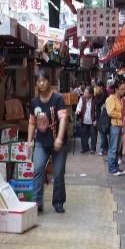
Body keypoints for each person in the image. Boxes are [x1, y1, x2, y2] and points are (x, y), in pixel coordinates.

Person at [28, 69, 69, 213]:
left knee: (58, 173)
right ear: (36, 84)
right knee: (38, 170)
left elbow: (63, 118)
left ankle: (58, 202)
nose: (41, 83)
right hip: (41, 141)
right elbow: (32, 122)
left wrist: (59, 138)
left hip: (58, 142)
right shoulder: (34, 102)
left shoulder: (58, 99)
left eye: (43, 80)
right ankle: (36, 202)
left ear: (48, 82)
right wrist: (29, 141)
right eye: (38, 81)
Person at [105, 75, 125, 175]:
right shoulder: (111, 99)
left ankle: (116, 167)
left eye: (124, 89)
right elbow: (110, 112)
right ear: (116, 89)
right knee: (113, 148)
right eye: (122, 89)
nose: (123, 91)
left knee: (118, 148)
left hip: (121, 126)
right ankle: (111, 168)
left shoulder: (122, 100)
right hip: (115, 126)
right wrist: (122, 115)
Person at [74, 84, 95, 153]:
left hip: (92, 120)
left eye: (86, 93)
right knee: (83, 135)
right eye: (85, 92)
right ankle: (85, 148)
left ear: (91, 94)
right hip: (84, 120)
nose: (84, 94)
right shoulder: (82, 98)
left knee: (93, 135)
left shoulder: (95, 99)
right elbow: (79, 106)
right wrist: (78, 110)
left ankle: (93, 149)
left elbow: (97, 110)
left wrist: (96, 120)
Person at [96, 81, 112, 156]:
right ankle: (105, 149)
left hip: (103, 117)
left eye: (97, 87)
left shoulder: (104, 95)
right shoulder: (101, 94)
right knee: (103, 133)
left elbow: (98, 103)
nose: (96, 88)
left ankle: (103, 149)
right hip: (101, 116)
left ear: (101, 87)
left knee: (103, 133)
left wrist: (96, 95)